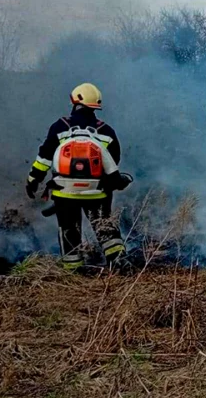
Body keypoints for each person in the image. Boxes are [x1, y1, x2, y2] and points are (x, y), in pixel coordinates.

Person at [25, 82, 132, 270]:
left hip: (64, 192)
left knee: (69, 229)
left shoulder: (60, 126)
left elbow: (44, 157)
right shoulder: (106, 131)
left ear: (74, 102)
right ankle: (117, 261)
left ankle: (72, 269)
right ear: (95, 106)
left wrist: (33, 180)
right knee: (105, 226)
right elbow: (113, 163)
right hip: (97, 192)